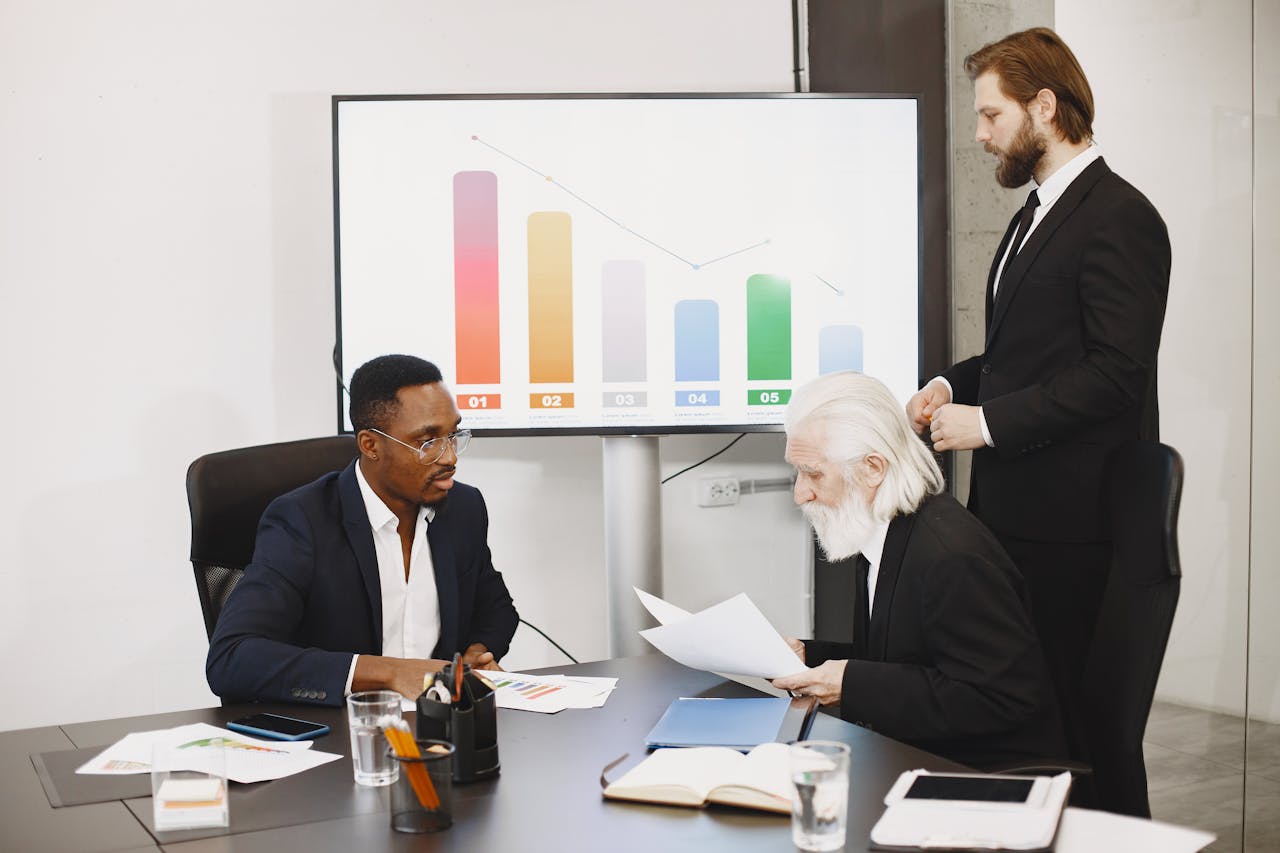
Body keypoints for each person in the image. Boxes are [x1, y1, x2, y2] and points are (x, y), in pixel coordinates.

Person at [905, 27, 1171, 760]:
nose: (982, 135)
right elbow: (1026, 354)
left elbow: (1118, 372)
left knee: (1063, 737)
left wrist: (986, 422)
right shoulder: (1034, 215)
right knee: (1019, 723)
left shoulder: (1121, 217)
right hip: (1016, 521)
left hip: (1073, 534)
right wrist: (946, 384)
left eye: (992, 115)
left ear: (1044, 106)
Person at [772, 372, 1065, 771]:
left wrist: (850, 684)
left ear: (872, 468)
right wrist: (812, 657)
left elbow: (1002, 699)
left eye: (813, 473)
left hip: (972, 777)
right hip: (910, 753)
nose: (800, 493)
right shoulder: (881, 528)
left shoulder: (950, 558)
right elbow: (903, 657)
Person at [206, 354, 519, 706]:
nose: (450, 457)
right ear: (371, 445)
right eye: (428, 441)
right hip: (344, 735)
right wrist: (389, 671)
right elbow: (232, 659)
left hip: (436, 728)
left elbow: (496, 609)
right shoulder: (301, 522)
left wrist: (475, 654)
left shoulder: (463, 508)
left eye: (453, 435)